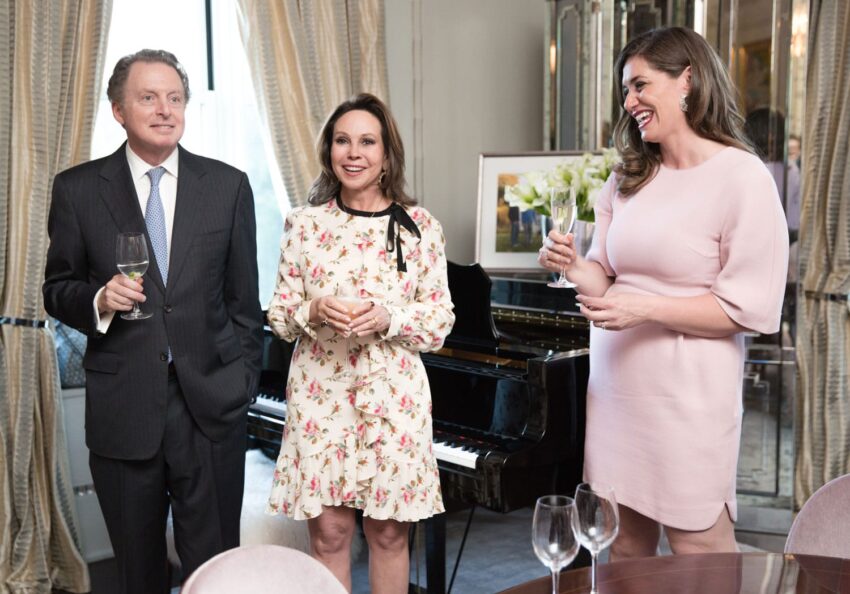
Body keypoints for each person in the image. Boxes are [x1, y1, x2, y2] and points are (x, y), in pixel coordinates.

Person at [538, 27, 788, 558]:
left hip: (689, 400)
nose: (629, 103)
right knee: (624, 545)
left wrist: (644, 308)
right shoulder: (628, 177)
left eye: (639, 85)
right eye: (625, 91)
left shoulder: (741, 178)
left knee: (699, 551)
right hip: (616, 394)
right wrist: (575, 266)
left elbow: (749, 308)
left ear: (687, 81)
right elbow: (607, 279)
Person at [43, 49, 263, 593]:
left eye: (174, 97)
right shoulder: (77, 189)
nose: (165, 109)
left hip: (210, 411)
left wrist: (240, 385)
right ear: (119, 110)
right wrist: (97, 298)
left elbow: (244, 306)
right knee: (138, 575)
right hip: (125, 413)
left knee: (214, 572)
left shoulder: (228, 187)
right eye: (148, 97)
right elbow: (56, 289)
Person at [265, 93, 454, 593]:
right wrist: (312, 310)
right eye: (342, 141)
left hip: (394, 398)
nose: (354, 152)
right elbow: (280, 315)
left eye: (367, 141)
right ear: (329, 150)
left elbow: (439, 321)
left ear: (387, 153)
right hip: (321, 395)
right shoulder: (303, 225)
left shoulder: (421, 228)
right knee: (330, 533)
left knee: (390, 534)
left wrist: (389, 317)